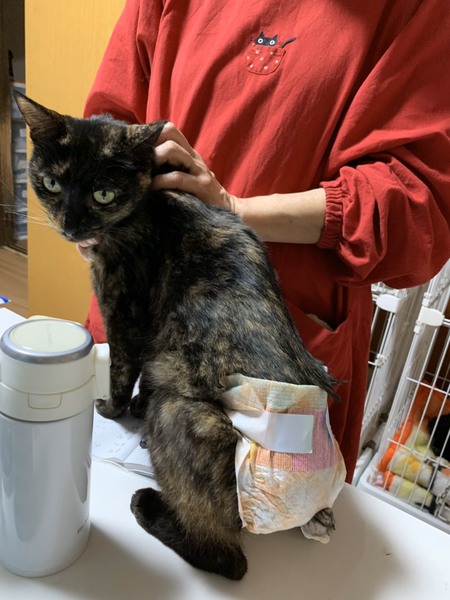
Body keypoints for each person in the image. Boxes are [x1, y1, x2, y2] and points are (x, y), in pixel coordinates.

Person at [81, 0, 450, 482]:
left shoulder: (419, 12)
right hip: (136, 303)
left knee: (258, 510)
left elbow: (418, 209)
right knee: (91, 484)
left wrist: (234, 210)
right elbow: (111, 116)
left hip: (271, 340)